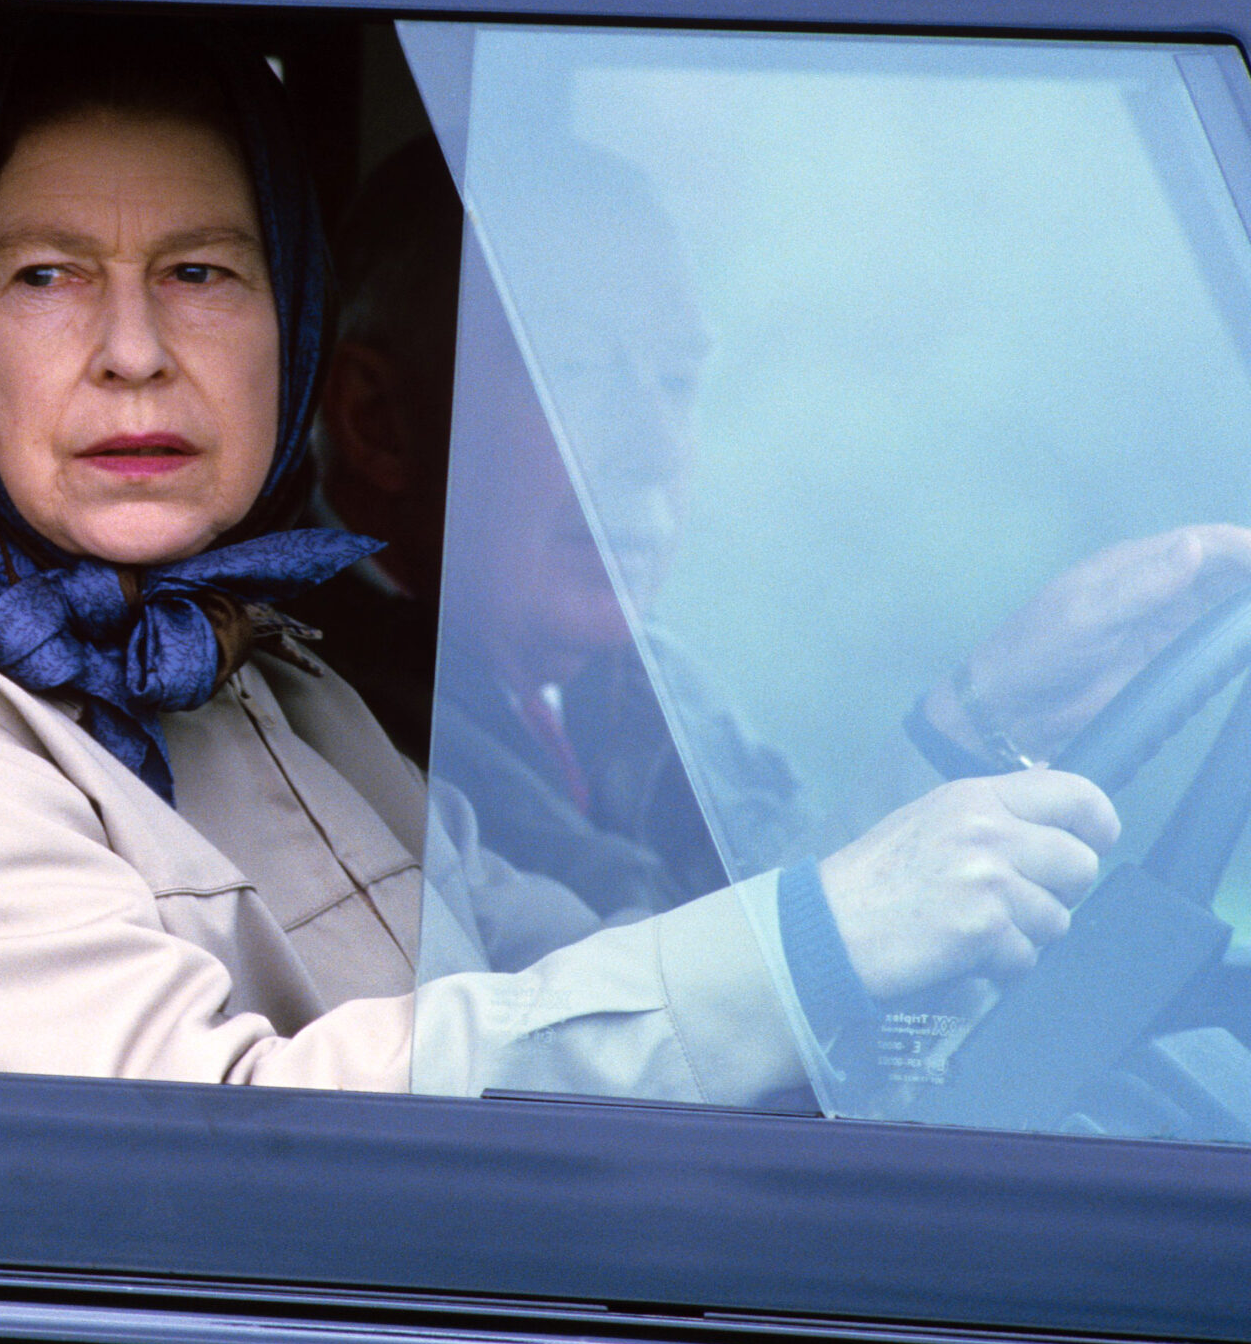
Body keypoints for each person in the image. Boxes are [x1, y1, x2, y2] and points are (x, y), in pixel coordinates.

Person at [0, 13, 1119, 1100]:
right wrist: (812, 947)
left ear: (287, 326)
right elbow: (214, 1161)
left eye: (203, 273)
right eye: (46, 276)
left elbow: (598, 948)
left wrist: (956, 766)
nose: (132, 354)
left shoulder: (248, 660)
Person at [307, 134, 1251, 947]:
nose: (651, 453)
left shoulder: (641, 683)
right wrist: (962, 726)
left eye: (678, 381)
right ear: (378, 418)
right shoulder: (317, 709)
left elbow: (786, 870)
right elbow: (644, 993)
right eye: (580, 372)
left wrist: (989, 724)